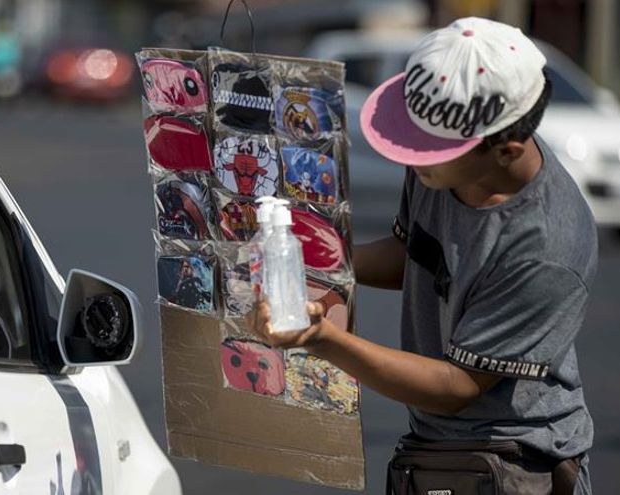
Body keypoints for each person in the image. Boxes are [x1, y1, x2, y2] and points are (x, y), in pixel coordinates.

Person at [248, 17, 595, 494]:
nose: (409, 158)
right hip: (434, 450)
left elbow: (458, 387)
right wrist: (317, 260)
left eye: (428, 149)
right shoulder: (441, 170)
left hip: (515, 463)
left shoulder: (546, 247)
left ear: (505, 151)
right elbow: (415, 254)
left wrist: (322, 339)